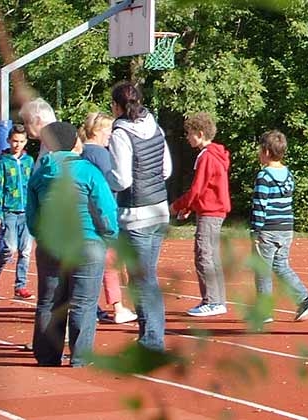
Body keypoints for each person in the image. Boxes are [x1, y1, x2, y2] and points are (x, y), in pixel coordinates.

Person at [28, 122, 117, 367]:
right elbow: (105, 209)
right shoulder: (88, 171)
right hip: (86, 242)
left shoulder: (39, 175)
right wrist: (109, 235)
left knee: (49, 301)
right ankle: (80, 358)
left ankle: (47, 356)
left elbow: (32, 218)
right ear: (72, 142)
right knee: (84, 303)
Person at [107, 81, 172, 351]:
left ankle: (152, 340)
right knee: (145, 277)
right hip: (159, 211)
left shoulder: (121, 133)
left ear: (118, 106)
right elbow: (166, 169)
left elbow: (121, 179)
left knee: (142, 280)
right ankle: (150, 335)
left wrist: (104, 177)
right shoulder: (154, 127)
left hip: (136, 215)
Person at [251, 130, 308, 322]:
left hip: (268, 230)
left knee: (262, 270)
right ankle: (305, 298)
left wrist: (255, 231)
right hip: (286, 228)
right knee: (281, 266)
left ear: (265, 151)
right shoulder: (288, 174)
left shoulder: (264, 176)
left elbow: (260, 205)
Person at [172, 112, 231, 318]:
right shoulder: (213, 154)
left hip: (211, 211)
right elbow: (203, 189)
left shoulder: (206, 156)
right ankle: (217, 300)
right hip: (213, 210)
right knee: (211, 256)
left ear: (200, 133)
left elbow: (197, 188)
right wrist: (189, 208)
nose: (187, 137)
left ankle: (212, 301)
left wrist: (177, 205)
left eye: (189, 134)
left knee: (204, 255)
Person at [80, 112, 136, 324]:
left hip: (87, 214)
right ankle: (118, 307)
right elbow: (113, 181)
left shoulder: (83, 152)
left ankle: (92, 306)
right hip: (103, 213)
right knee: (109, 261)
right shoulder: (99, 153)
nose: (111, 135)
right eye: (108, 131)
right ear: (97, 131)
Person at [0, 125, 35, 298]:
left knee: (26, 251)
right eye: (15, 141)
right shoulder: (3, 162)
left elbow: (33, 185)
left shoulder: (29, 161)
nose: (18, 145)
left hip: (27, 211)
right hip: (9, 211)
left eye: (21, 141)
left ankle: (20, 286)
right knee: (10, 248)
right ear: (8, 140)